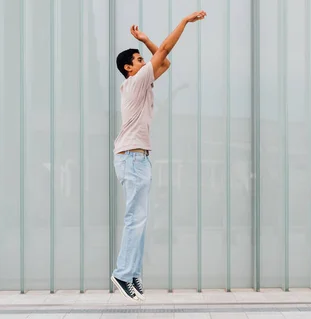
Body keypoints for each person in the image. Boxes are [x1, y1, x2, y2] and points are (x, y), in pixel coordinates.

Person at [111, 10, 207, 302]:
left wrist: (145, 40)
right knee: (134, 219)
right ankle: (122, 273)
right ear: (129, 68)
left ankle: (133, 272)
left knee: (140, 219)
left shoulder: (140, 82)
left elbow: (164, 61)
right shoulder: (136, 82)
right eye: (139, 59)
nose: (144, 62)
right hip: (132, 158)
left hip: (138, 158)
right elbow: (165, 51)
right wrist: (184, 22)